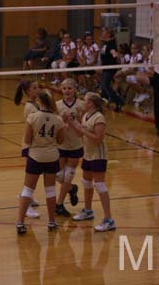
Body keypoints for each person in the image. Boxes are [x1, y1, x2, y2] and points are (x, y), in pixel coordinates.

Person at [16, 90, 65, 234]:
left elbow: (27, 140)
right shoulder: (58, 119)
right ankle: (51, 222)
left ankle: (20, 223)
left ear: (39, 101)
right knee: (50, 190)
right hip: (51, 157)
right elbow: (61, 141)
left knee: (27, 190)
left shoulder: (32, 117)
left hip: (35, 156)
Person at [66, 92, 115, 232]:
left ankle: (109, 220)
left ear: (91, 103)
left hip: (98, 155)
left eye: (85, 100)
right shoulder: (85, 116)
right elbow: (80, 134)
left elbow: (98, 138)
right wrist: (72, 122)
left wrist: (82, 129)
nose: (82, 102)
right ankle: (88, 210)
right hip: (87, 153)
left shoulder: (99, 118)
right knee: (86, 183)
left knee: (99, 185)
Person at [55, 78, 83, 217]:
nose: (67, 91)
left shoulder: (81, 105)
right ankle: (72, 189)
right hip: (61, 145)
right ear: (61, 89)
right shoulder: (57, 105)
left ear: (75, 89)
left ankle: (59, 204)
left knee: (67, 177)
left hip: (76, 145)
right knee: (58, 176)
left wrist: (77, 118)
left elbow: (83, 128)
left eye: (70, 88)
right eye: (64, 88)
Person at [14, 80, 41, 218]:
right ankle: (26, 204)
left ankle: (27, 197)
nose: (38, 90)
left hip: (37, 145)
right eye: (35, 88)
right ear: (28, 91)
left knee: (34, 175)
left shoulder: (36, 104)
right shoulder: (30, 107)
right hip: (31, 145)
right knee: (31, 175)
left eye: (38, 87)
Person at [100, 27, 123, 112]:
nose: (102, 33)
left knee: (106, 86)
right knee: (103, 87)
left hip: (110, 68)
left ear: (108, 34)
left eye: (103, 32)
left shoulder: (111, 43)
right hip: (105, 67)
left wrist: (116, 56)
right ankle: (103, 104)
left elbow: (115, 54)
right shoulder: (105, 43)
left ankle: (119, 102)